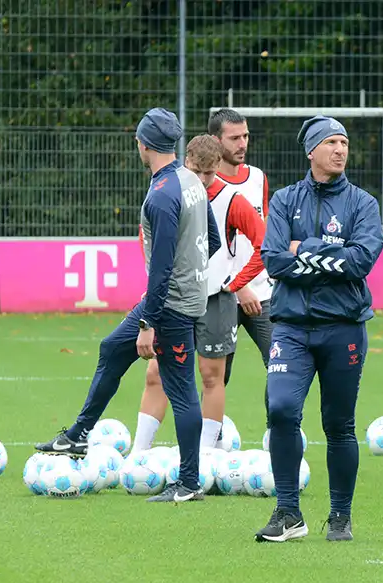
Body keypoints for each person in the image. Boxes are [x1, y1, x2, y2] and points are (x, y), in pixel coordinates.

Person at [35, 108, 220, 503]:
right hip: (177, 300)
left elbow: (162, 267)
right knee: (111, 349)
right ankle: (78, 436)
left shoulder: (162, 194)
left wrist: (149, 322)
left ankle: (189, 483)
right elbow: (214, 241)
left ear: (144, 144)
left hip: (169, 307)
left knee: (182, 391)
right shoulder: (191, 181)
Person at [254, 115, 383, 543]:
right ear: (311, 150)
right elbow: (273, 259)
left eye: (344, 142)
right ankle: (288, 513)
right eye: (331, 142)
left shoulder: (363, 203)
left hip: (343, 328)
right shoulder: (285, 200)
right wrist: (331, 255)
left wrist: (304, 250)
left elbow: (361, 261)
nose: (341, 149)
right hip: (290, 328)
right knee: (281, 410)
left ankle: (340, 517)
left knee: (339, 425)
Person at [131, 134, 266, 453]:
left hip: (215, 300)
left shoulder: (232, 200)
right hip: (175, 299)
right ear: (184, 162)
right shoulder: (168, 192)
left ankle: (204, 457)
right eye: (196, 171)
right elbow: (146, 238)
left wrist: (234, 284)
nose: (203, 179)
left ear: (219, 166)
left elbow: (266, 245)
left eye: (209, 172)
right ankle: (138, 454)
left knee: (211, 375)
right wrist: (156, 284)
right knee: (156, 373)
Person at [208, 109, 275, 428]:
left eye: (245, 136)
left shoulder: (258, 177)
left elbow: (260, 234)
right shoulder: (205, 184)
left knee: (282, 365)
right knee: (218, 375)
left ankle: (276, 433)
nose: (242, 143)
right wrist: (238, 284)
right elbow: (211, 245)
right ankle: (210, 442)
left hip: (262, 292)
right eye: (234, 138)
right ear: (216, 141)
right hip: (224, 294)